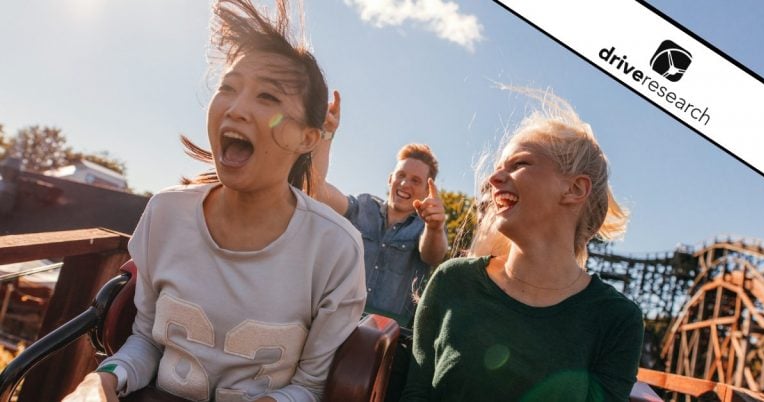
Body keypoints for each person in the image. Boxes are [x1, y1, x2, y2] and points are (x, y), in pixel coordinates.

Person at [63, 1, 366, 401]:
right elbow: (148, 343)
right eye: (227, 87)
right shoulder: (165, 212)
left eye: (268, 97)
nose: (236, 109)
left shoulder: (337, 248)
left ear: (308, 138)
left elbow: (309, 387)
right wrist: (100, 380)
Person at [401, 89, 644, 402]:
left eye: (519, 164)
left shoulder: (617, 319)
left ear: (574, 188)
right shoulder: (453, 281)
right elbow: (415, 394)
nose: (494, 178)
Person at [312, 99, 449, 327]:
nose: (405, 184)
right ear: (390, 178)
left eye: (415, 180)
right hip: (333, 321)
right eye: (401, 175)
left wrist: (434, 227)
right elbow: (317, 190)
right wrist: (326, 134)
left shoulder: (424, 228)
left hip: (386, 338)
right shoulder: (363, 206)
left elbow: (433, 255)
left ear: (427, 190)